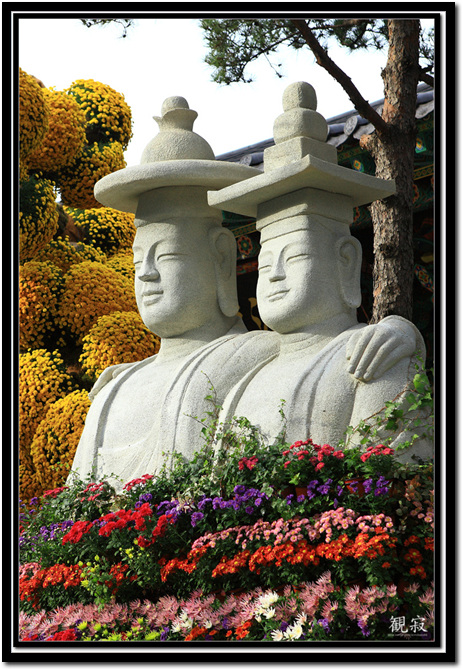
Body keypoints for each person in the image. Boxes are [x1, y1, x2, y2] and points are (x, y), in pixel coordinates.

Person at [69, 92, 427, 490]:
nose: (147, 275)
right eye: (138, 263)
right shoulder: (116, 388)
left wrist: (400, 331)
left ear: (223, 258)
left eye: (167, 255)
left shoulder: (256, 356)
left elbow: (401, 489)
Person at [208, 82, 431, 460]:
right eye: (265, 264)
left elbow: (391, 480)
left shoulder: (372, 358)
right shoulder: (243, 384)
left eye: (294, 257)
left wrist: (403, 334)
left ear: (346, 262)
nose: (274, 275)